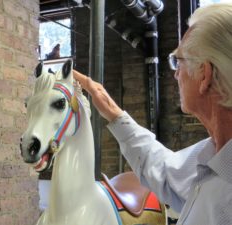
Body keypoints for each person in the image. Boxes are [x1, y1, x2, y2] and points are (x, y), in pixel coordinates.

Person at [73, 3, 232, 225]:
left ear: (204, 75)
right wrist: (113, 113)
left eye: (179, 60)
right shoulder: (212, 156)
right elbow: (164, 170)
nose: (175, 73)